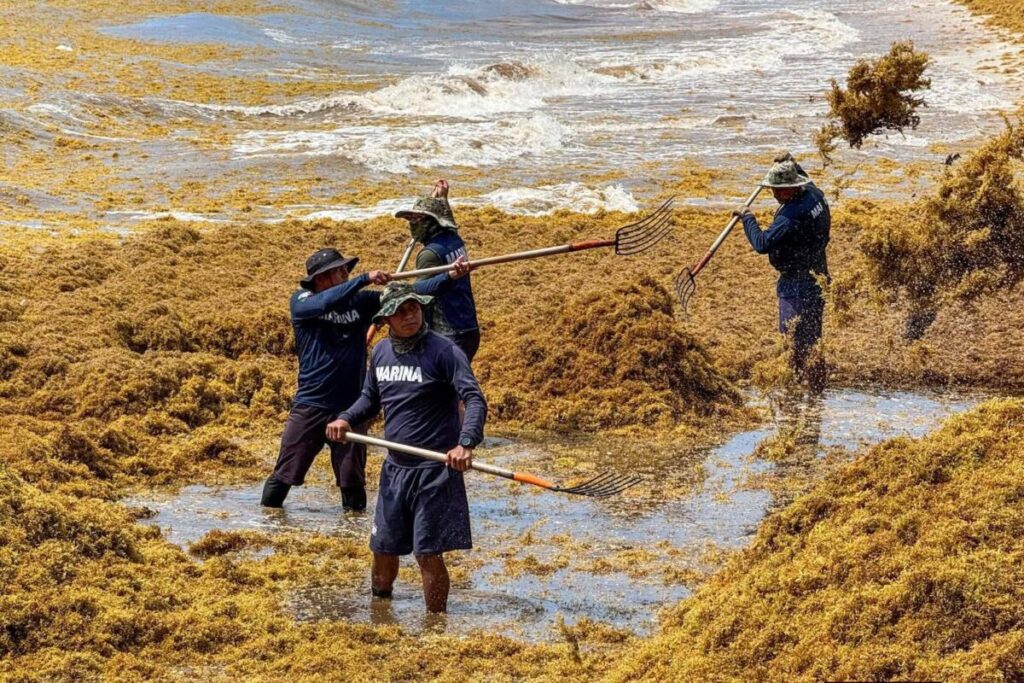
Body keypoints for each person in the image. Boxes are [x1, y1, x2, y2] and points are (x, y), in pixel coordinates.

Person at [326, 283, 487, 613]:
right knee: (382, 547)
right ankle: (380, 612)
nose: (410, 316)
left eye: (413, 308)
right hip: (395, 469)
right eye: (400, 312)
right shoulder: (382, 352)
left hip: (435, 469)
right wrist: (345, 418)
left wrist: (466, 443)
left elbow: (474, 399)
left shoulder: (444, 351)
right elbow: (370, 399)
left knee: (427, 552)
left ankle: (435, 625)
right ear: (386, 319)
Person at [260, 248, 390, 511]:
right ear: (321, 278)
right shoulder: (302, 301)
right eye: (340, 271)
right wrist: (363, 279)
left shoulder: (360, 302)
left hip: (351, 408)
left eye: (347, 271)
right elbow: (324, 303)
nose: (346, 274)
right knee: (285, 473)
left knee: (352, 479)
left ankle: (352, 535)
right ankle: (266, 523)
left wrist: (450, 276)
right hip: (312, 403)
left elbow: (409, 296)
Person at [735, 153, 830, 388]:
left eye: (778, 190)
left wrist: (747, 218)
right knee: (812, 337)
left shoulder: (789, 216)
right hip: (819, 274)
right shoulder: (814, 194)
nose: (774, 194)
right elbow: (805, 176)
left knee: (793, 338)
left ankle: (797, 385)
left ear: (791, 188)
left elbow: (762, 244)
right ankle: (815, 385)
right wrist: (791, 161)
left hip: (797, 283)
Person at [394, 181, 480, 362]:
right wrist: (443, 198)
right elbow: (449, 221)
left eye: (417, 220)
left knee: (444, 387)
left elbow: (420, 291)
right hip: (468, 327)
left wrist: (397, 292)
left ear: (433, 223)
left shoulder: (429, 254)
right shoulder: (454, 239)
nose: (412, 225)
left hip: (448, 333)